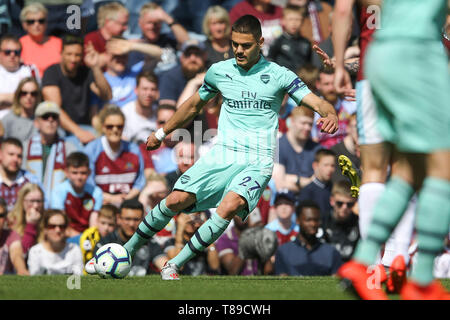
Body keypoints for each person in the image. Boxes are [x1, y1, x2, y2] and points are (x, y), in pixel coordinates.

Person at [97, 14, 338, 281]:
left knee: (229, 205)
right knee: (175, 200)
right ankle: (127, 252)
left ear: (261, 42)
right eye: (235, 44)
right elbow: (193, 106)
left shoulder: (279, 75)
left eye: (245, 45)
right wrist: (163, 131)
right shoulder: (219, 71)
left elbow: (318, 103)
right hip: (223, 153)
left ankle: (173, 265)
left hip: (258, 160)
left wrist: (330, 114)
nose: (238, 50)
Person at [331, 0, 418, 299]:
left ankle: (371, 264)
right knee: (407, 169)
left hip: (373, 72)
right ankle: (399, 258)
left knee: (372, 170)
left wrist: (341, 64)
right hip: (412, 73)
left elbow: (342, 11)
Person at [42, 34, 112, 146]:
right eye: (69, 54)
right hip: (59, 129)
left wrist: (95, 67)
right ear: (61, 54)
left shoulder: (86, 72)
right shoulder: (51, 73)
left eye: (77, 55)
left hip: (85, 127)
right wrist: (78, 132)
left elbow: (107, 95)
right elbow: (55, 109)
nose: (73, 59)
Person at [84, 105, 146, 207]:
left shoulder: (134, 150)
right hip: (100, 204)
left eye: (119, 126)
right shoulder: (92, 150)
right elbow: (88, 184)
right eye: (110, 126)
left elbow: (140, 181)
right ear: (103, 127)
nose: (115, 130)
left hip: (128, 203)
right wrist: (111, 198)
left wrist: (127, 198)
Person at [93, 198, 168, 276]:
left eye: (136, 220)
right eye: (127, 219)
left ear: (143, 220)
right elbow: (95, 269)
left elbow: (164, 265)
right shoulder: (106, 242)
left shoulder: (148, 241)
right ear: (119, 218)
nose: (131, 224)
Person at [22, 101, 78, 196]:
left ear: (59, 122)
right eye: (45, 117)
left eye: (54, 117)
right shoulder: (25, 147)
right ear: (36, 122)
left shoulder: (69, 148)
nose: (50, 120)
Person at [275, 199, 342, 276]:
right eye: (308, 220)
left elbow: (336, 283)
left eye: (316, 220)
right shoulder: (283, 251)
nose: (313, 224)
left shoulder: (331, 252)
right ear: (297, 220)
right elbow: (281, 283)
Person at [126, 2, 189, 75]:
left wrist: (167, 18)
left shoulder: (170, 39)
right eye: (149, 23)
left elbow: (187, 43)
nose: (153, 27)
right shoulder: (134, 45)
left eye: (156, 23)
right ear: (140, 23)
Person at [50, 151, 103, 238]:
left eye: (83, 173)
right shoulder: (58, 191)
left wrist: (88, 239)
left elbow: (94, 223)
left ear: (89, 172)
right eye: (75, 173)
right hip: (65, 236)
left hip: (89, 237)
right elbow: (60, 221)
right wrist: (81, 239)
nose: (79, 177)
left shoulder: (96, 192)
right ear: (66, 172)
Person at [272, 106, 321, 194]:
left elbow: (319, 183)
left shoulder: (317, 149)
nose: (307, 128)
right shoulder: (279, 146)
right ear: (292, 121)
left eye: (310, 124)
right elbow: (280, 184)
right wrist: (303, 181)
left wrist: (289, 178)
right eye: (303, 123)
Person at [27, 209, 84, 275]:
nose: (57, 230)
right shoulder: (35, 251)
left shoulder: (74, 250)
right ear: (45, 229)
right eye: (52, 226)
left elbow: (79, 279)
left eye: (61, 226)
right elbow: (34, 280)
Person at [312, 67, 356, 148]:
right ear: (318, 84)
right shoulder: (312, 110)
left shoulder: (351, 105)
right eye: (327, 84)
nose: (331, 88)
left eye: (333, 83)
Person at [166, 211, 220, 276]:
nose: (191, 222)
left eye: (195, 218)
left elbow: (215, 266)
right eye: (187, 219)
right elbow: (178, 268)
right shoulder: (171, 242)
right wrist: (180, 229)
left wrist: (207, 231)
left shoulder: (202, 241)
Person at [158, 39, 207, 107]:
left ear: (205, 57)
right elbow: (168, 114)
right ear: (181, 58)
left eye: (197, 54)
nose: (192, 58)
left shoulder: (211, 74)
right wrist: (193, 83)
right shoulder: (170, 77)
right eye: (188, 54)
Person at [18, 3, 62, 78]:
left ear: (46, 23)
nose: (37, 24)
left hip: (55, 85)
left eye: (41, 21)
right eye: (31, 21)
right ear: (24, 25)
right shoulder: (18, 44)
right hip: (29, 85)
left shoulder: (59, 43)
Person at [84, 2, 129, 69]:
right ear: (108, 22)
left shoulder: (121, 39)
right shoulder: (92, 38)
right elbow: (92, 62)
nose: (126, 28)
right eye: (122, 24)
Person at [267, 4, 312, 73]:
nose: (294, 23)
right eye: (290, 19)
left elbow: (310, 64)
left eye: (297, 19)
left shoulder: (306, 43)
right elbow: (270, 61)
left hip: (301, 80)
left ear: (303, 22)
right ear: (283, 21)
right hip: (283, 79)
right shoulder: (278, 41)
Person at [298, 148, 336, 226]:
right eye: (326, 165)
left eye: (332, 165)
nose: (330, 169)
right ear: (315, 165)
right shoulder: (307, 191)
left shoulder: (335, 189)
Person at [0, 137, 41, 211]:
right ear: (0, 154)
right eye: (11, 154)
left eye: (19, 156)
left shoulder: (31, 181)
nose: (15, 159)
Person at [0, 34, 40, 109]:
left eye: (16, 52)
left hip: (24, 118)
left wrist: (3, 98)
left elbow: (36, 98)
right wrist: (20, 98)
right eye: (7, 52)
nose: (12, 55)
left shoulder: (30, 70)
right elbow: (27, 100)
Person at [323, 180, 359, 262]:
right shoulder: (323, 221)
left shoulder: (359, 223)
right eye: (340, 203)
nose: (344, 207)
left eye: (349, 204)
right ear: (332, 201)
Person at [139, 104, 178, 176]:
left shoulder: (187, 147)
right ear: (157, 124)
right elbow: (149, 177)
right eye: (162, 122)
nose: (166, 126)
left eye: (171, 122)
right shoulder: (146, 148)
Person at [121, 70, 159, 145]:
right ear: (136, 90)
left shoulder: (160, 115)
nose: (149, 93)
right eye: (145, 89)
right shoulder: (125, 113)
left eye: (153, 89)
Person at [6, 183, 45, 256]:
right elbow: (23, 253)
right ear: (22, 201)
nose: (36, 205)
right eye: (32, 201)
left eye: (39, 201)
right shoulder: (10, 221)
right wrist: (31, 225)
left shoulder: (47, 221)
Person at [77, 203, 118, 268]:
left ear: (116, 224)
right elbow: (88, 262)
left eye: (111, 224)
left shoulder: (117, 236)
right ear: (97, 220)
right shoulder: (89, 236)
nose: (106, 228)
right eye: (103, 223)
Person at [0, 197, 29, 275]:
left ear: (6, 218)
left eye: (1, 215)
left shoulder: (11, 235)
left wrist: (21, 269)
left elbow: (16, 254)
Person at [330, 112, 361, 183]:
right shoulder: (336, 151)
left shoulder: (368, 151)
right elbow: (338, 183)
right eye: (356, 126)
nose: (359, 130)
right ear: (348, 128)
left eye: (362, 127)